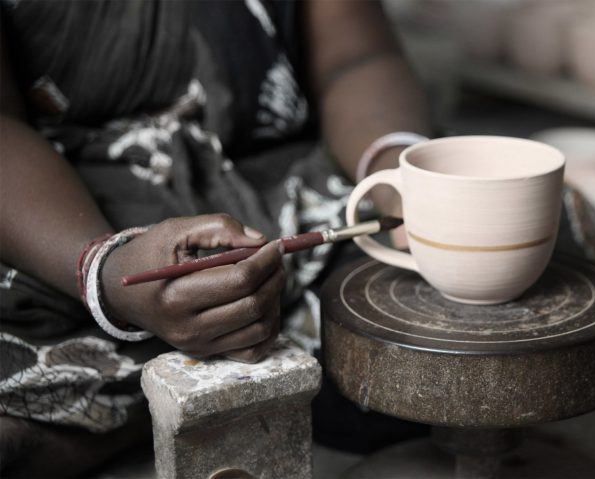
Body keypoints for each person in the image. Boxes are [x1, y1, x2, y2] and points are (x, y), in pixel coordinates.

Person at [0, 1, 433, 475]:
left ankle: (188, 396)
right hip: (58, 211)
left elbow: (357, 58)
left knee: (428, 296)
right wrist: (102, 269)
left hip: (279, 181)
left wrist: (400, 178)